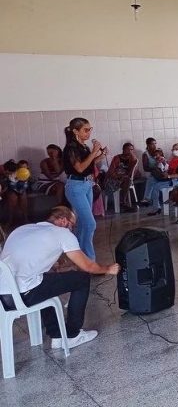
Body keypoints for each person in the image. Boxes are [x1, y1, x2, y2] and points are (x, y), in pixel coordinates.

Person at [0, 206, 120, 349]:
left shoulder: (23, 229)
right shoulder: (62, 233)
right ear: (63, 220)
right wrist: (108, 269)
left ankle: (57, 335)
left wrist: (59, 265)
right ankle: (72, 335)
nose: (72, 230)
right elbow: (88, 266)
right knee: (82, 279)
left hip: (3, 296)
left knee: (45, 283)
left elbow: (29, 260)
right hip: (22, 295)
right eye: (72, 226)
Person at [63, 117, 104, 260]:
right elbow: (79, 168)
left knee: (83, 223)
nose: (89, 133)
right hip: (75, 186)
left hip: (87, 184)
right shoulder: (71, 148)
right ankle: (89, 259)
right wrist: (94, 152)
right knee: (90, 223)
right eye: (85, 130)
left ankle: (78, 255)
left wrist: (101, 155)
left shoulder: (84, 146)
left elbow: (89, 164)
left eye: (90, 129)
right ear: (76, 131)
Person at [103, 142, 138, 213]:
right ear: (123, 150)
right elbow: (111, 172)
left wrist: (134, 161)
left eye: (131, 150)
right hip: (113, 180)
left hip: (124, 180)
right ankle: (124, 203)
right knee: (126, 179)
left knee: (128, 180)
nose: (130, 151)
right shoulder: (117, 158)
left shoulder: (132, 159)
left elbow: (133, 173)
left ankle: (123, 202)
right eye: (128, 149)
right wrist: (119, 176)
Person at [138, 137, 159, 207]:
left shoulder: (159, 152)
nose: (155, 145)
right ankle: (148, 199)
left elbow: (163, 162)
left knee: (152, 179)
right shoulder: (145, 154)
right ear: (148, 145)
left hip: (159, 172)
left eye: (155, 143)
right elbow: (145, 168)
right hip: (149, 172)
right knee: (151, 178)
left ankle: (147, 199)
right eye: (152, 144)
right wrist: (154, 169)